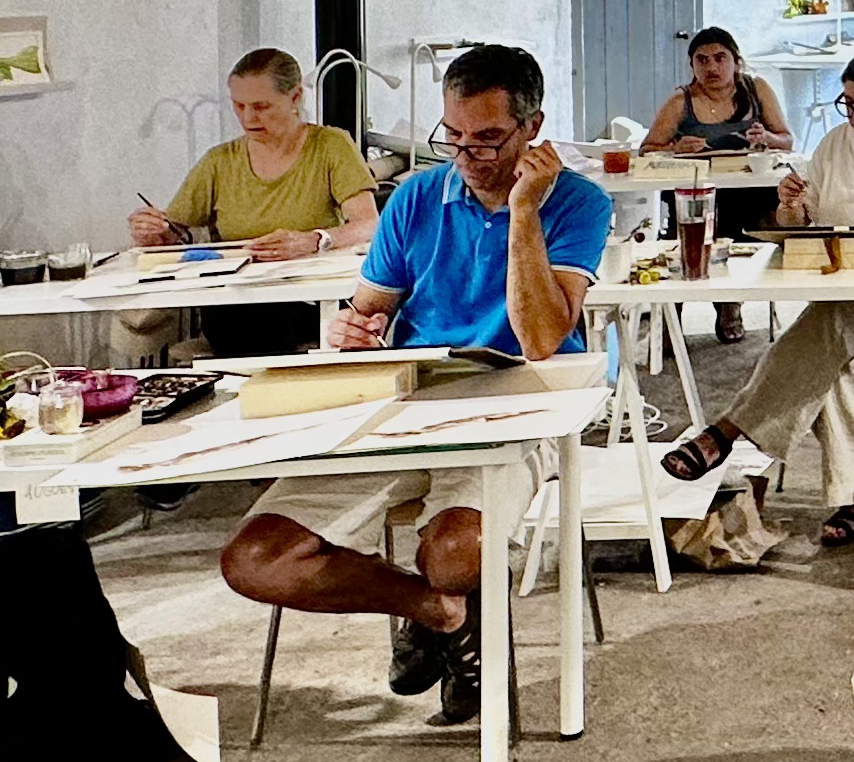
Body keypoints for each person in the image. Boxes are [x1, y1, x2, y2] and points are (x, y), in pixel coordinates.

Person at [216, 46, 610, 726]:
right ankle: (436, 614)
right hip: (408, 400)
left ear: (532, 127)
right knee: (257, 560)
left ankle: (453, 610)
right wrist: (352, 329)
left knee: (458, 550)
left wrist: (522, 212)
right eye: (452, 136)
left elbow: (542, 337)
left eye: (488, 138)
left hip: (518, 401)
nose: (467, 154)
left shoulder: (578, 202)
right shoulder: (420, 195)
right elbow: (367, 306)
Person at [658, 48, 854, 545]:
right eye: (847, 104)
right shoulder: (833, 145)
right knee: (829, 362)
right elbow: (799, 225)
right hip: (840, 292)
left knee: (824, 331)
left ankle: (726, 431)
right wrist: (789, 207)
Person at [129, 47, 382, 358]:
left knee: (268, 322)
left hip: (305, 298)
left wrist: (314, 240)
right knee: (239, 316)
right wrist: (154, 232)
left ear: (294, 98)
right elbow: (176, 233)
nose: (248, 118)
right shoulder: (219, 162)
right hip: (234, 302)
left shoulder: (330, 146)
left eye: (261, 106)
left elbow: (369, 223)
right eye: (239, 106)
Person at [645, 27, 794, 345]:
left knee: (745, 216)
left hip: (750, 188)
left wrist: (766, 139)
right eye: (702, 60)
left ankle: (729, 306)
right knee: (695, 226)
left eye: (719, 58)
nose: (711, 68)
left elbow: (786, 140)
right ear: (692, 66)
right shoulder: (680, 100)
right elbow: (648, 149)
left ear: (736, 62)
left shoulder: (756, 90)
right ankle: (674, 319)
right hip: (697, 189)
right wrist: (676, 148)